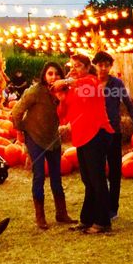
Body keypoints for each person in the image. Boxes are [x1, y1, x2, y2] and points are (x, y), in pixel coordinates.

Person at [54, 54, 115, 234]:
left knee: (97, 179)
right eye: (72, 65)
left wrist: (67, 81)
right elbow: (63, 113)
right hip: (81, 137)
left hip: (96, 133)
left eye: (79, 65)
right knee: (87, 180)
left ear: (88, 67)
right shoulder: (73, 88)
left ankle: (103, 221)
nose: (74, 68)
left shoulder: (91, 82)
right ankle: (86, 219)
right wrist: (61, 97)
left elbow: (84, 87)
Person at [11, 62, 74, 230]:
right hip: (34, 136)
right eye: (50, 74)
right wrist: (20, 131)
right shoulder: (35, 92)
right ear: (44, 76)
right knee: (39, 175)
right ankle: (40, 217)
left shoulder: (63, 93)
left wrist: (63, 98)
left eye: (57, 74)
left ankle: (61, 213)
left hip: (52, 138)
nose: (54, 77)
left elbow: (68, 113)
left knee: (56, 176)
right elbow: (16, 111)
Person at [92, 51, 133, 220]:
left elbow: (129, 104)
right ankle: (101, 205)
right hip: (95, 134)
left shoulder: (117, 84)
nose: (103, 68)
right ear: (95, 66)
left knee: (114, 172)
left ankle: (113, 208)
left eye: (106, 65)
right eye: (100, 65)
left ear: (110, 66)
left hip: (114, 133)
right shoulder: (89, 84)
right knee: (97, 172)